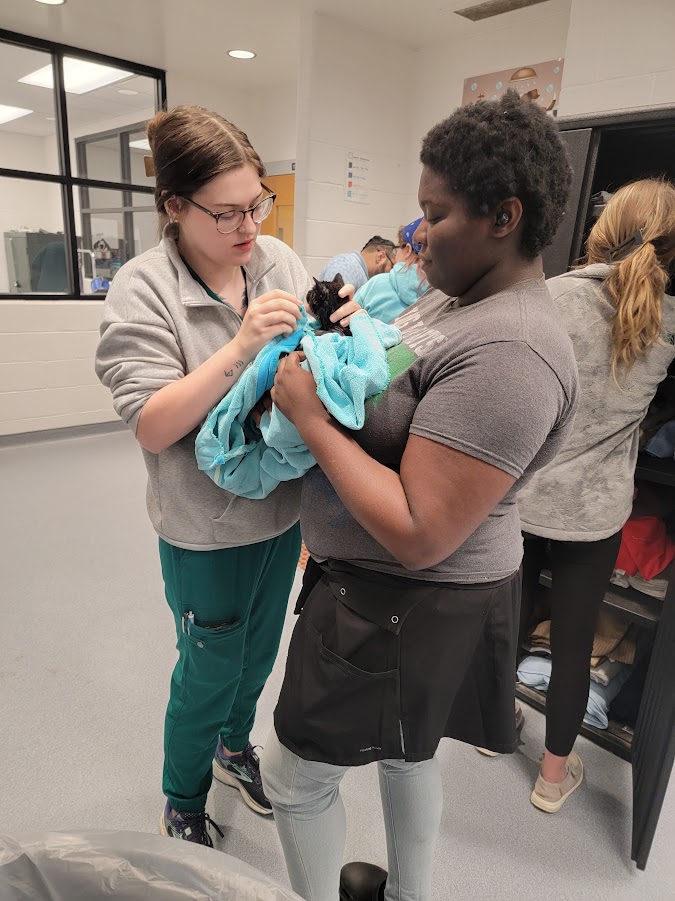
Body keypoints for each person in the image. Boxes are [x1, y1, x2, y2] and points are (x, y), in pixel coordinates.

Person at [260, 91, 578, 901]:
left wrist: (309, 418)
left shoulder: (511, 350)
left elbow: (418, 528)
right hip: (377, 586)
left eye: (435, 215)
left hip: (404, 597)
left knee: (295, 776)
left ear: (503, 216)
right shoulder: (452, 298)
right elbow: (390, 385)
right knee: (407, 752)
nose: (418, 233)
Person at [95, 105, 360, 848]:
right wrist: (241, 345)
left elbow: (311, 356)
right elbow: (152, 423)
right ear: (174, 207)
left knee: (258, 653)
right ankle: (182, 798)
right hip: (203, 529)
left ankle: (232, 747)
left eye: (257, 203)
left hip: (280, 513)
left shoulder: (274, 260)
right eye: (226, 213)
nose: (248, 226)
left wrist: (336, 326)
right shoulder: (144, 288)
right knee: (207, 668)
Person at [513, 178, 675, 813]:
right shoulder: (669, 319)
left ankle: (496, 728)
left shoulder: (550, 296)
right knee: (575, 641)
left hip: (526, 494)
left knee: (509, 616)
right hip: (595, 511)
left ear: (603, 229)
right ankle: (553, 778)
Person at [354, 218, 429, 324]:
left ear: (408, 250)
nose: (395, 255)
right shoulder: (439, 294)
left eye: (397, 248)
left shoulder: (375, 284)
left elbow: (347, 322)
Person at [319, 235, 397, 292]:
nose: (393, 272)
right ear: (381, 257)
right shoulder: (346, 265)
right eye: (393, 266)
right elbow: (331, 303)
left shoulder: (360, 274)